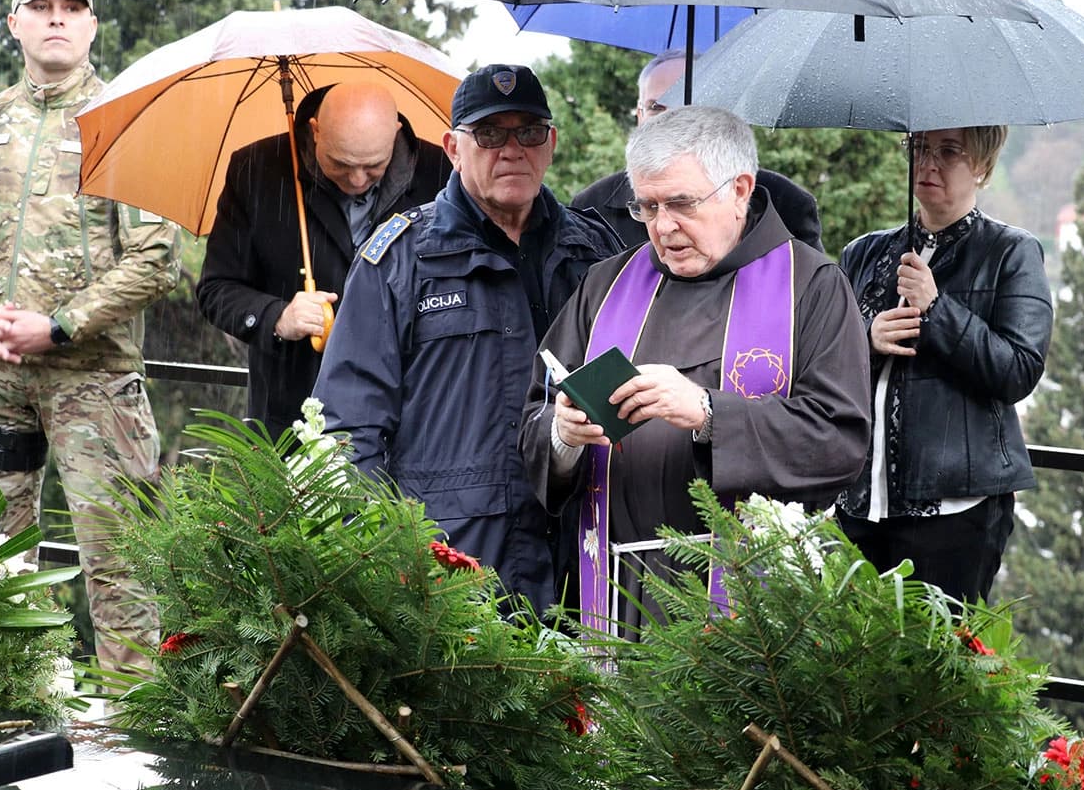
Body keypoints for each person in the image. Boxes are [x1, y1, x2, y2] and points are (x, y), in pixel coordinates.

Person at [520, 105, 871, 638]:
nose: (663, 226)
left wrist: (709, 414)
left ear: (740, 189)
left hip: (751, 601)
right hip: (614, 590)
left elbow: (838, 439)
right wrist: (563, 436)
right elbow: (538, 412)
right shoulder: (606, 285)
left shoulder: (811, 286)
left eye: (681, 203)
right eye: (648, 206)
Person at [0, 0, 182, 670]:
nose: (57, 17)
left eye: (72, 7)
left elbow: (157, 258)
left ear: (92, 25)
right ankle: (16, 717)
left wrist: (61, 324)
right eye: (41, 7)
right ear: (15, 24)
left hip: (93, 382)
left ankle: (133, 746)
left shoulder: (126, 123)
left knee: (119, 564)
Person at [312, 64, 622, 613]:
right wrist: (387, 563)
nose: (511, 150)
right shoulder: (401, 258)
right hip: (454, 566)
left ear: (551, 143)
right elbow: (350, 433)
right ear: (453, 148)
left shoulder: (596, 252)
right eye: (489, 134)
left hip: (585, 553)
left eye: (528, 132)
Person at [834, 126, 1054, 604]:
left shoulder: (1011, 253)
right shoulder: (863, 252)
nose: (928, 164)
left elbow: (1018, 370)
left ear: (982, 164)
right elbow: (821, 361)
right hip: (857, 502)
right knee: (847, 667)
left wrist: (937, 310)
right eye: (919, 149)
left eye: (949, 151)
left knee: (934, 666)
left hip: (956, 507)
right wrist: (866, 340)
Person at [196, 83, 450, 440]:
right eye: (341, 165)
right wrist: (277, 316)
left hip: (411, 418)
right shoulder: (256, 169)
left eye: (374, 166)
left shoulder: (442, 175)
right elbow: (215, 289)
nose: (357, 180)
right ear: (315, 131)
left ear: (394, 134)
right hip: (291, 416)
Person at [572, 49, 824, 252]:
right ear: (639, 116)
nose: (670, 120)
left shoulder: (784, 202)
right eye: (657, 108)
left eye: (686, 107)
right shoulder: (592, 207)